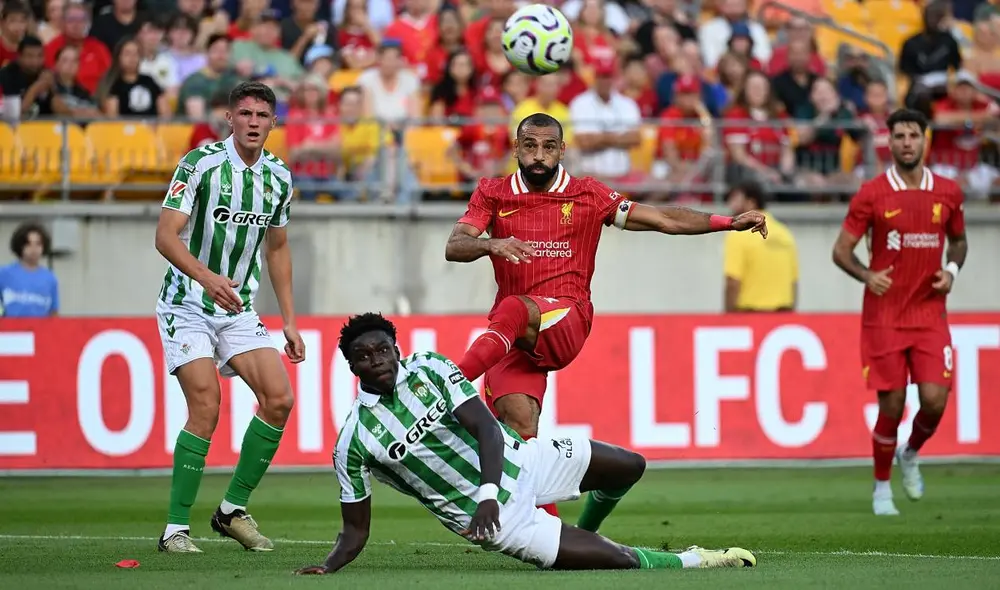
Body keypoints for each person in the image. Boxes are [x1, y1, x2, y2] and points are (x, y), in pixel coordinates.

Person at [445, 113, 768, 517]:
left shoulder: (588, 195)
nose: (539, 156)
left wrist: (726, 222)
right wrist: (492, 244)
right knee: (520, 430)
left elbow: (662, 218)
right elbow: (455, 245)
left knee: (512, 307)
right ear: (516, 149)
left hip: (566, 317)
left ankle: (445, 386)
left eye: (548, 147)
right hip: (513, 334)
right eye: (530, 146)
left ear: (562, 150)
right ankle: (555, 537)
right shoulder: (493, 193)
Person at [295, 313, 757, 574]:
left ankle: (588, 529)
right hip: (501, 524)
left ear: (397, 349)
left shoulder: (431, 369)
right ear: (352, 368)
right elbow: (355, 529)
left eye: (383, 350)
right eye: (363, 356)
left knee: (630, 465)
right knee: (620, 562)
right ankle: (695, 560)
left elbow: (487, 429)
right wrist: (330, 565)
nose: (376, 361)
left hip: (522, 464)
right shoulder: (353, 442)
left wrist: (488, 494)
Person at [153, 81, 306, 552]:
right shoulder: (200, 165)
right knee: (206, 405)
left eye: (262, 115)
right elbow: (165, 235)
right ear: (229, 118)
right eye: (245, 113)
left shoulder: (279, 176)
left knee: (279, 399)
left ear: (274, 122)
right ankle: (175, 529)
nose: (253, 122)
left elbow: (277, 248)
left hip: (238, 308)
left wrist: (289, 319)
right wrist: (206, 278)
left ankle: (231, 511)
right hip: (187, 303)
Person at [831, 108, 968, 516]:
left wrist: (952, 270)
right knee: (891, 406)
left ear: (925, 139)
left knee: (935, 401)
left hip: (929, 315)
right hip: (885, 316)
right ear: (889, 143)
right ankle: (880, 487)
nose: (906, 142)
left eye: (913, 135)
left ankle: (911, 451)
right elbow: (841, 251)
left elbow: (959, 242)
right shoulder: (872, 193)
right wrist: (866, 275)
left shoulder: (948, 192)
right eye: (899, 136)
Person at [723, 182, 798, 313]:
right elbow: (793, 282)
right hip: (783, 315)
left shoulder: (738, 234)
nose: (731, 205)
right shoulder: (785, 233)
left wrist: (728, 317)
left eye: (736, 199)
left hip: (749, 315)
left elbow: (733, 281)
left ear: (751, 203)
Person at [0, 221, 59, 317]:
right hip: (10, 330)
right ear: (20, 246)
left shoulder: (50, 278)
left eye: (38, 244)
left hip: (40, 331)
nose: (33, 249)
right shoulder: (3, 274)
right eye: (28, 244)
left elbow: (54, 312)